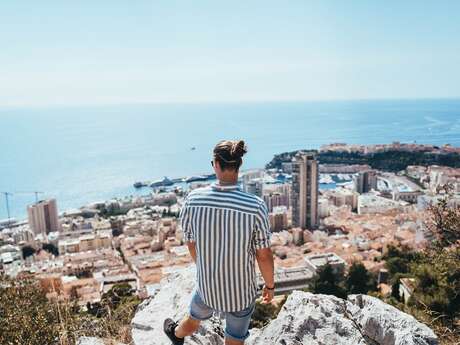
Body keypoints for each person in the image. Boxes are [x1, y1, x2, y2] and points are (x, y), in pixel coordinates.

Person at [164, 140, 275, 345]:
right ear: (239, 165)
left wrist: (206, 267)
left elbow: (191, 242)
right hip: (241, 293)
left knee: (192, 319)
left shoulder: (193, 199)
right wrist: (269, 285)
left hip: (207, 288)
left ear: (215, 164)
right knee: (234, 338)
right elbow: (264, 255)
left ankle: (176, 335)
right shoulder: (255, 206)